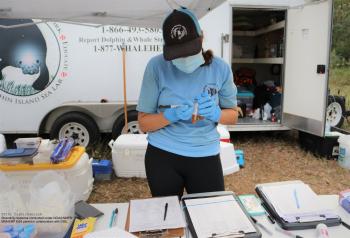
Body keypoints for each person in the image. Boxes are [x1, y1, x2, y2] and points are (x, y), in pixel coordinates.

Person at [136, 7, 238, 198]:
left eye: (189, 51)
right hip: (163, 154)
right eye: (177, 53)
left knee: (208, 213)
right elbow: (144, 123)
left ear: (201, 38)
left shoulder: (220, 69)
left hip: (205, 155)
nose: (184, 59)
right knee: (168, 217)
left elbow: (233, 116)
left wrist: (217, 114)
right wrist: (169, 116)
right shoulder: (156, 66)